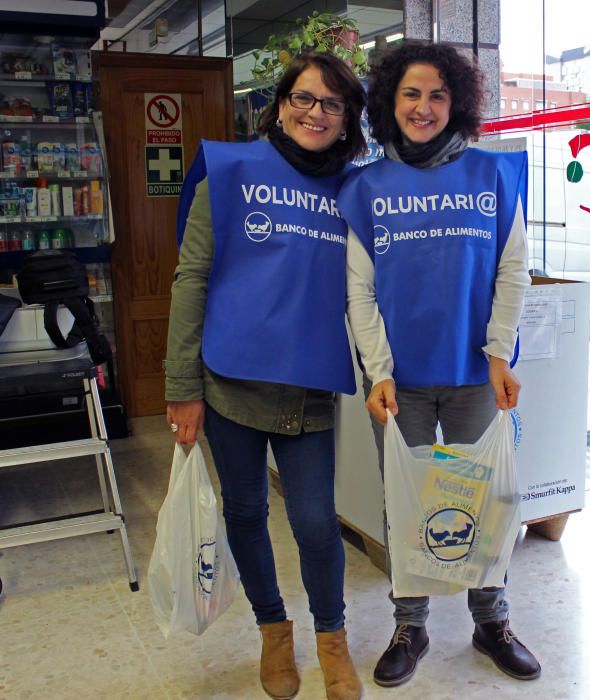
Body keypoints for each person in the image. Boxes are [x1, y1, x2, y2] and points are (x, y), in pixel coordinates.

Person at [337, 42, 541, 688]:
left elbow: (513, 270)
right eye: (410, 94)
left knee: (489, 499)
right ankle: (411, 624)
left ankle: (492, 623)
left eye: (437, 95)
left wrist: (499, 352)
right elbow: (359, 291)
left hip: (476, 377)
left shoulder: (492, 176)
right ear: (388, 102)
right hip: (401, 383)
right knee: (407, 502)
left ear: (458, 103)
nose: (423, 108)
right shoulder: (365, 187)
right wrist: (378, 372)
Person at [164, 51, 366, 700]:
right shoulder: (227, 172)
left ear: (346, 119)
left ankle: (332, 640)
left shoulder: (355, 190)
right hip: (229, 380)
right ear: (279, 105)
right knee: (246, 511)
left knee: (314, 523)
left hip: (307, 386)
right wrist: (181, 387)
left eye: (332, 104)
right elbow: (190, 279)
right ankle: (274, 631)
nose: (316, 113)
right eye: (304, 99)